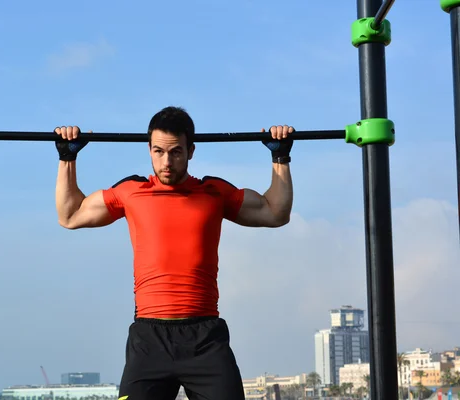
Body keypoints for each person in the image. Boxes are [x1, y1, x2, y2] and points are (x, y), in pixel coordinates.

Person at [54, 106, 294, 400]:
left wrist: (280, 157)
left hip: (205, 339)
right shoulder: (131, 192)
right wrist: (67, 158)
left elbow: (275, 213)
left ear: (191, 150)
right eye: (158, 152)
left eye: (176, 152)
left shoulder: (213, 192)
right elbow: (70, 216)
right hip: (149, 340)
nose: (166, 161)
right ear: (149, 150)